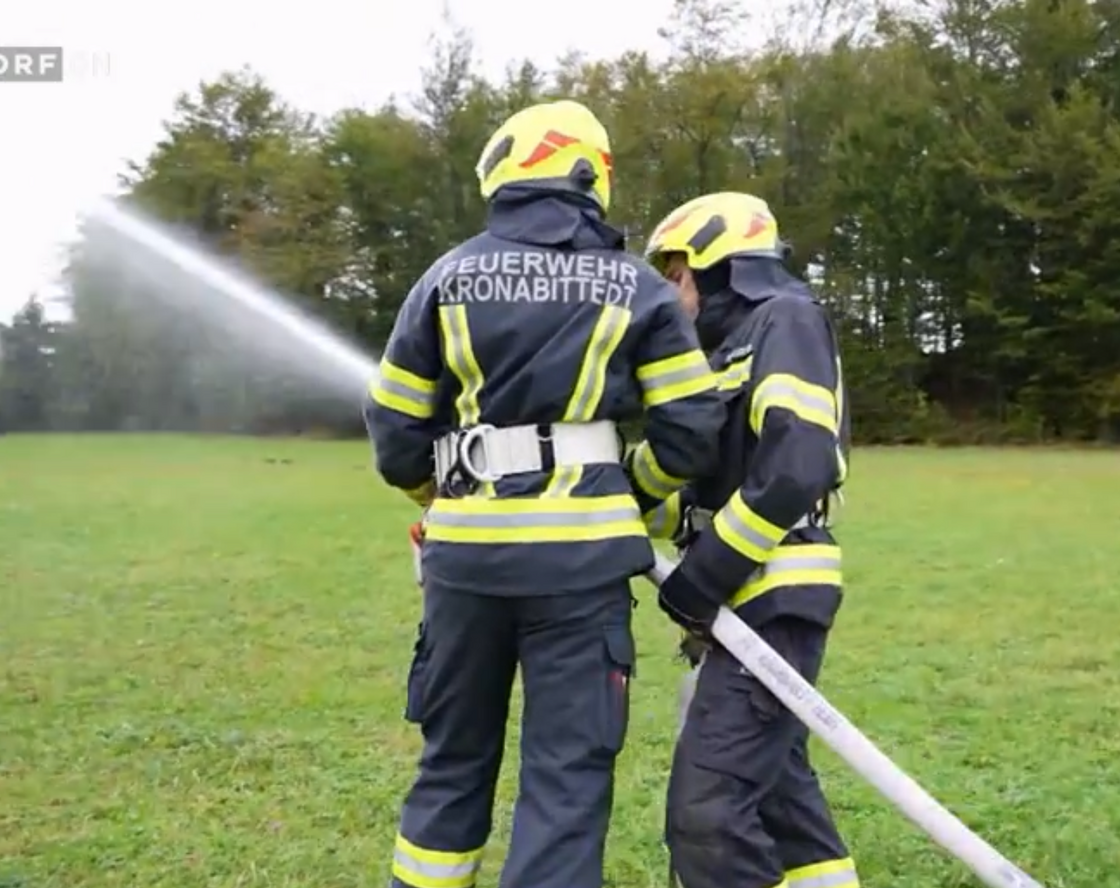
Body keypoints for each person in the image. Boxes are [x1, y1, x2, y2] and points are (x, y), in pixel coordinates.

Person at [362, 99, 726, 888]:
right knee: (565, 783)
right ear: (587, 172)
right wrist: (633, 489)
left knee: (452, 765)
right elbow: (693, 426)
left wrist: (443, 494)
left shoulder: (444, 277)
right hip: (581, 570)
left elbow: (393, 434)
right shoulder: (637, 289)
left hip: (464, 570)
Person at [637, 191, 860, 888]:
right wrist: (610, 492)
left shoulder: (784, 319)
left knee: (710, 812)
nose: (669, 296)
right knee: (778, 794)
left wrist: (704, 575)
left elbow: (797, 466)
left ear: (719, 264)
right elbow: (709, 494)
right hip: (744, 601)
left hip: (771, 594)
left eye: (675, 276)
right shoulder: (722, 355)